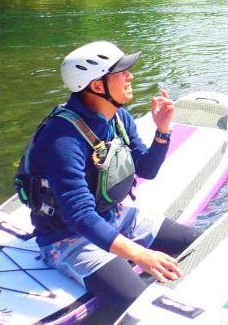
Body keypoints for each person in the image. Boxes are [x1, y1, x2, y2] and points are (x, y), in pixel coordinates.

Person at [14, 41, 200, 321]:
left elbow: (146, 170)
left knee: (197, 242)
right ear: (97, 86)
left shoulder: (118, 117)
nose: (130, 76)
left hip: (115, 217)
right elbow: (79, 216)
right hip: (67, 239)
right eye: (121, 72)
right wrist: (139, 254)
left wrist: (162, 131)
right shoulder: (62, 138)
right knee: (134, 301)